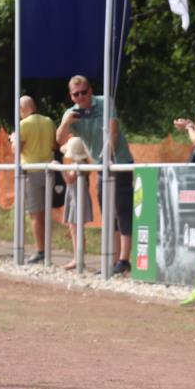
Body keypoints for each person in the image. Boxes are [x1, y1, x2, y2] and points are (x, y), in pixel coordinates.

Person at [56, 75, 135, 275]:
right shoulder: (71, 113)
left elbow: (113, 132)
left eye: (84, 92)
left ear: (91, 90)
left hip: (118, 162)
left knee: (122, 209)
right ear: (71, 96)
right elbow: (59, 139)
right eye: (77, 94)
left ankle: (124, 259)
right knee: (109, 213)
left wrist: (107, 159)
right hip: (101, 166)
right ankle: (115, 260)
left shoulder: (104, 102)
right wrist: (66, 122)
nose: (81, 96)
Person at [15, 96, 57, 264]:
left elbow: (18, 148)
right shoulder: (49, 121)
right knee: (46, 212)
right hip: (49, 170)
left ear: (23, 109)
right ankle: (46, 247)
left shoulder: (23, 125)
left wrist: (13, 139)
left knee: (35, 213)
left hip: (31, 171)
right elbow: (54, 144)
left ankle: (41, 250)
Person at [60, 137, 94, 271]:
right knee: (76, 229)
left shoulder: (77, 165)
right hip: (76, 197)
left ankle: (77, 258)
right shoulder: (83, 164)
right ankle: (79, 257)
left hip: (76, 199)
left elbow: (69, 179)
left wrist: (60, 168)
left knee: (75, 229)